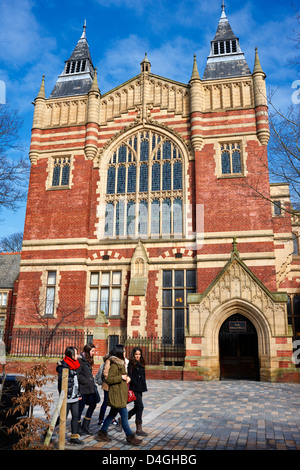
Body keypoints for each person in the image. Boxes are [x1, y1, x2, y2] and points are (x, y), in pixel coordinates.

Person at [96, 344, 142, 446]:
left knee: (111, 414)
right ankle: (130, 438)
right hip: (117, 395)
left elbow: (124, 376)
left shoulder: (121, 364)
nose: (125, 353)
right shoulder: (114, 365)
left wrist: (127, 378)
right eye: (124, 351)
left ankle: (102, 433)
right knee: (124, 417)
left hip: (120, 394)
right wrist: (121, 377)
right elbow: (109, 379)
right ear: (120, 353)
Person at [56, 346, 82, 445]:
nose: (77, 355)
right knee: (62, 418)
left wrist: (78, 393)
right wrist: (64, 395)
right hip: (67, 397)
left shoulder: (76, 364)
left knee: (75, 416)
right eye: (75, 353)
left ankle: (74, 437)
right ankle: (48, 432)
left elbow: (77, 381)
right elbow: (61, 383)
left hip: (75, 396)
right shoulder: (63, 366)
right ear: (71, 355)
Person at [77, 343, 100, 435]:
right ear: (87, 351)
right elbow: (77, 374)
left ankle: (85, 426)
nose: (94, 353)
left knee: (93, 404)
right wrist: (86, 380)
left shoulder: (88, 360)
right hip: (82, 389)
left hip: (90, 388)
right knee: (80, 408)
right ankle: (77, 428)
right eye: (92, 351)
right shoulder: (80, 360)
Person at [127, 347, 148, 436]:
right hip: (134, 388)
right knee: (140, 407)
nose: (138, 356)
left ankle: (123, 418)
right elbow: (130, 376)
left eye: (139, 354)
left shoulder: (141, 363)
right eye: (136, 354)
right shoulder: (131, 364)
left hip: (140, 388)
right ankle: (139, 429)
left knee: (137, 407)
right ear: (133, 355)